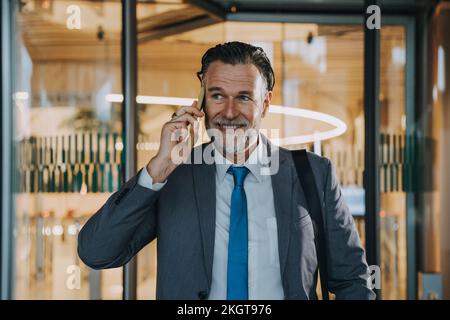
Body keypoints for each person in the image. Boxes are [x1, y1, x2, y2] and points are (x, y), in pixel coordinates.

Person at [78, 41, 375, 300]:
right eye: (218, 95)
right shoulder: (173, 176)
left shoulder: (314, 173)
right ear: (202, 101)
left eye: (244, 97)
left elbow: (351, 279)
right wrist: (158, 168)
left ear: (265, 103)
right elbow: (97, 252)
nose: (229, 112)